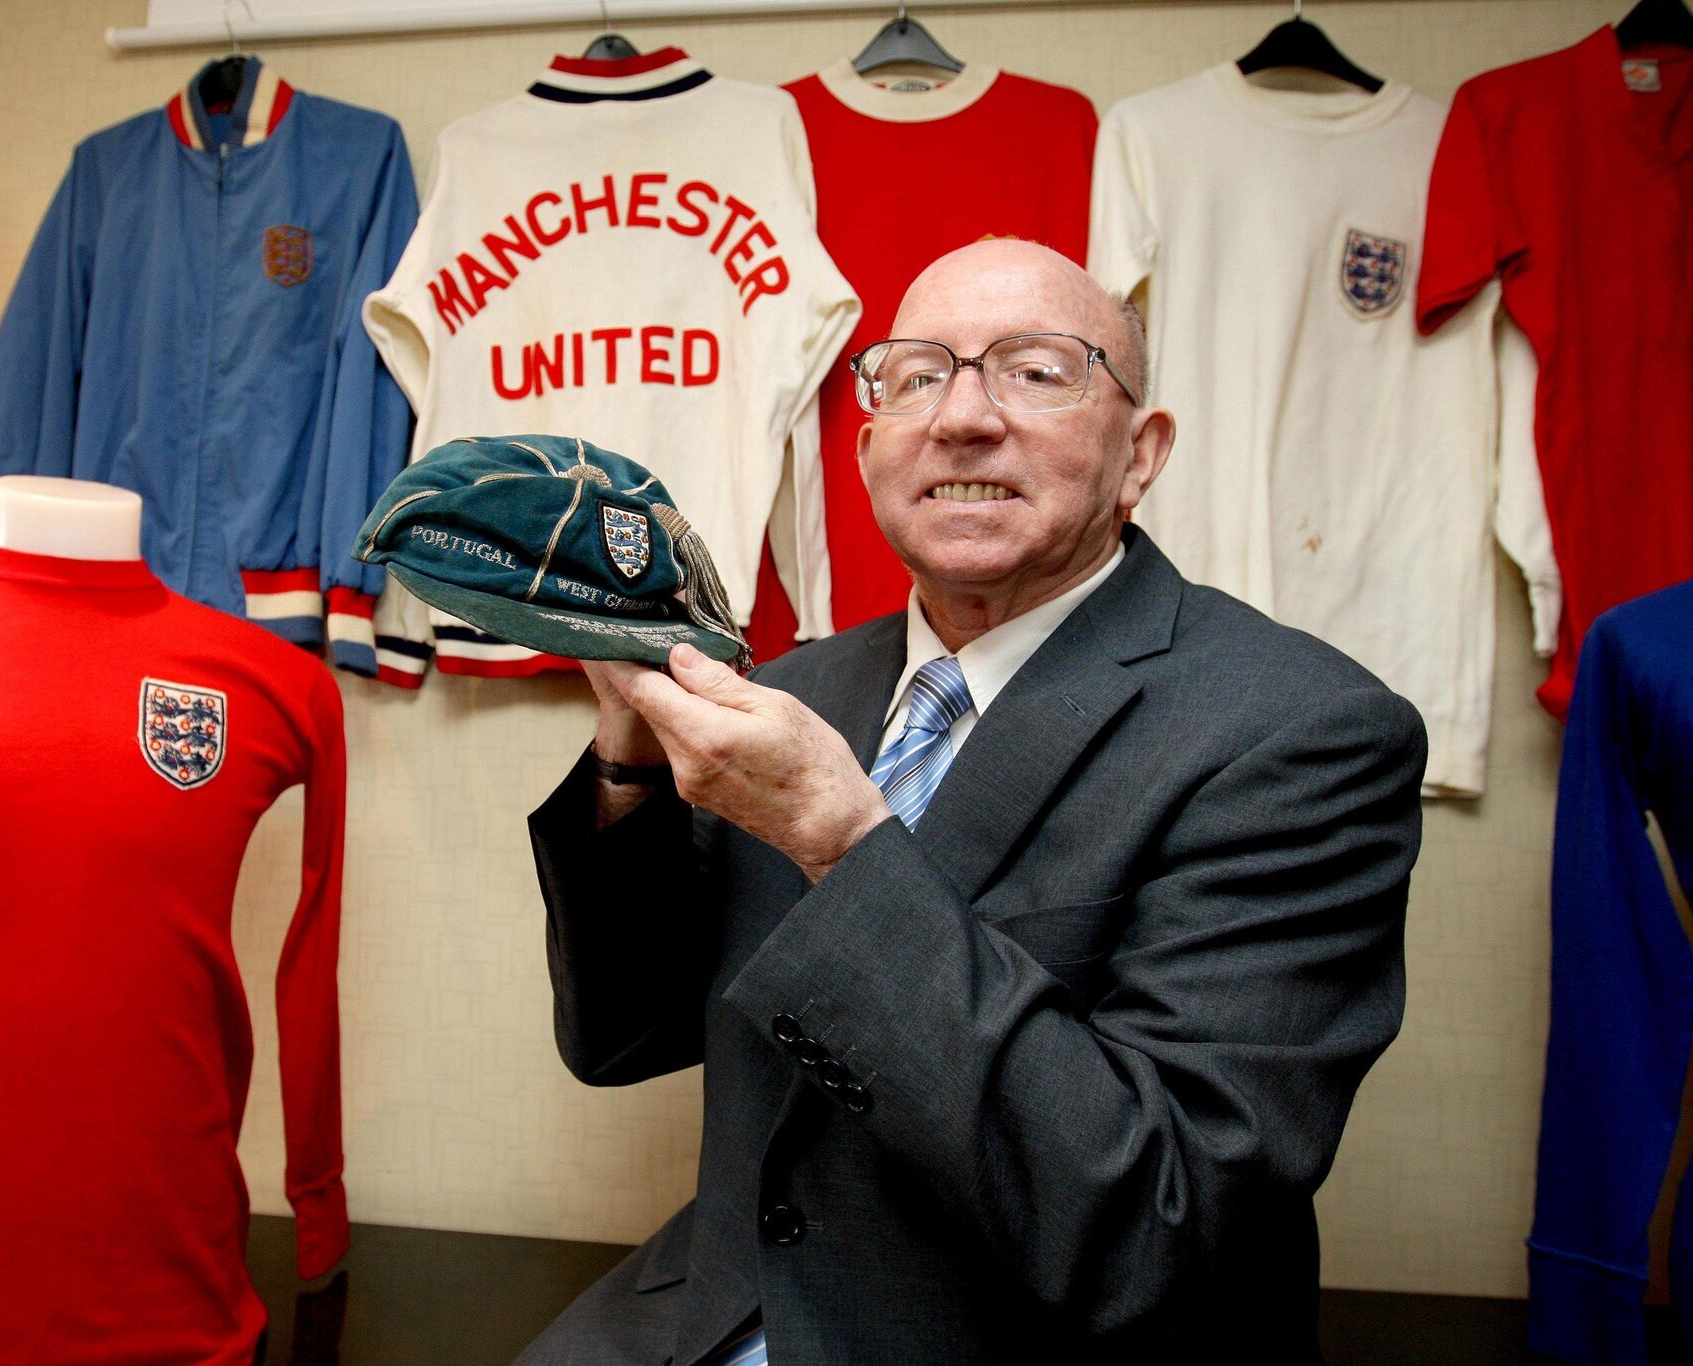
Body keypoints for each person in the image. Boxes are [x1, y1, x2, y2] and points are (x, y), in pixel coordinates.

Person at [519, 240, 1427, 1364]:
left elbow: (1157, 1219)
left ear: (1139, 453)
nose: (960, 417)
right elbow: (620, 1038)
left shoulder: (1301, 730)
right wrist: (631, 758)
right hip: (725, 1302)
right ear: (866, 453)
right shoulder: (798, 688)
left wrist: (842, 843)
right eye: (914, 375)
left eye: (1036, 370)